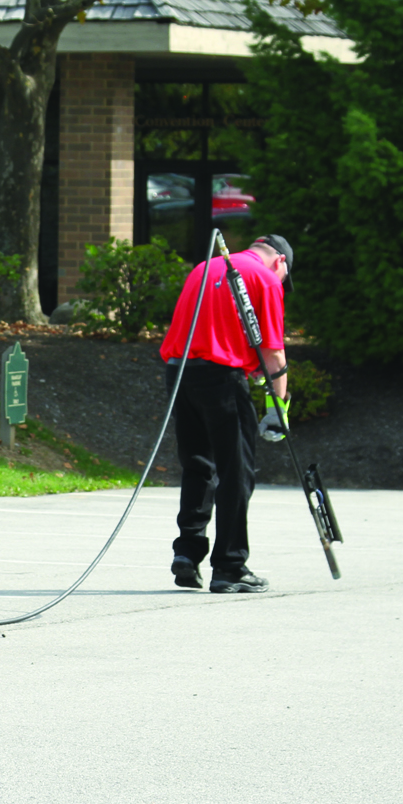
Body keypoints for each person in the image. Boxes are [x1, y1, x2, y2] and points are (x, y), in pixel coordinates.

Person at [156, 234, 293, 594]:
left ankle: (187, 552)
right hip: (220, 378)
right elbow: (273, 355)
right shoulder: (264, 279)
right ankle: (230, 566)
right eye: (284, 278)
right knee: (236, 471)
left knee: (198, 463)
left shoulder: (204, 268)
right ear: (279, 262)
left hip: (179, 370)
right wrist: (277, 409)